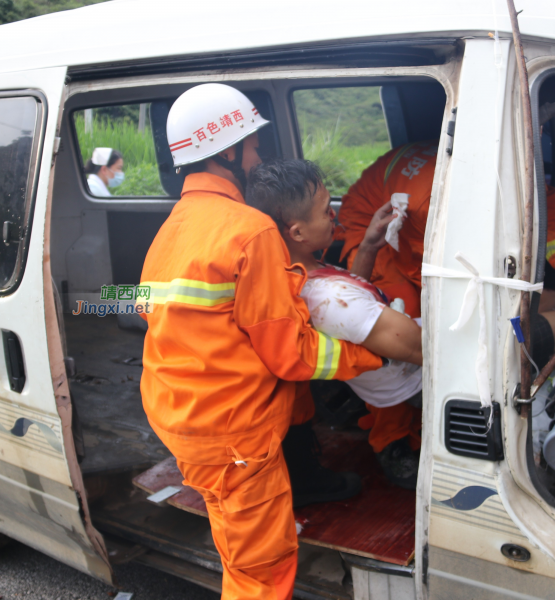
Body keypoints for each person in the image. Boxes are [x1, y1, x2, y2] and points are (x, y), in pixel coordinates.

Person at [137, 83, 383, 600]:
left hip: (180, 414)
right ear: (227, 152)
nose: (257, 156)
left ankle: (306, 477)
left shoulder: (174, 226)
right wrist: (373, 355)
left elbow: (145, 307)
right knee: (261, 571)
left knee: (237, 537)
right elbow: (290, 355)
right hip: (231, 436)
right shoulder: (250, 231)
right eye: (252, 146)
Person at [337, 141, 555, 463]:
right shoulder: (435, 202)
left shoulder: (518, 176)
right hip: (374, 221)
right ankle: (392, 440)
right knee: (398, 328)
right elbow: (426, 270)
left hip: (414, 213)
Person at [247, 159, 424, 488]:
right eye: (327, 210)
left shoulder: (299, 272)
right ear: (297, 232)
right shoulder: (327, 297)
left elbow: (351, 297)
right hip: (412, 385)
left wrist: (369, 245)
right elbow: (425, 350)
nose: (334, 215)